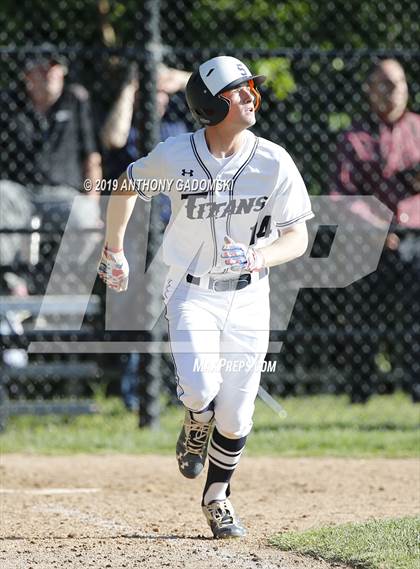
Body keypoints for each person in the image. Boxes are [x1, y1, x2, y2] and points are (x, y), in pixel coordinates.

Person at [98, 56, 313, 538]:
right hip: (191, 291)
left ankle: (217, 497)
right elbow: (127, 185)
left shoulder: (273, 161)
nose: (250, 96)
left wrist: (259, 256)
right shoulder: (176, 155)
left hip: (250, 297)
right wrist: (113, 249)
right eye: (237, 91)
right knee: (200, 390)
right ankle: (196, 420)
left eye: (250, 88)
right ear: (212, 106)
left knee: (236, 415)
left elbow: (297, 237)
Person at [100, 63, 190, 411]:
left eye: (163, 92)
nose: (159, 98)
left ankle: (175, 391)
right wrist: (132, 85)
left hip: (178, 231)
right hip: (137, 233)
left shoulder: (179, 128)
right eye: (150, 92)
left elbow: (217, 92)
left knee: (178, 316)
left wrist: (175, 77)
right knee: (139, 317)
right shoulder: (132, 124)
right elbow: (112, 138)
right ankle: (134, 397)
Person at [331, 58, 420, 402]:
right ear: (369, 90)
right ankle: (360, 393)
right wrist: (379, 228)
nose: (392, 91)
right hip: (369, 241)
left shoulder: (417, 129)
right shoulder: (354, 138)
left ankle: (417, 391)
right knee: (364, 320)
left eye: (398, 83)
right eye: (383, 84)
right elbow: (340, 195)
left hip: (417, 239)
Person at [0, 46, 102, 290]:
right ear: (27, 76)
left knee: (85, 215)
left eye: (54, 68)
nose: (49, 73)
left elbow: (92, 158)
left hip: (63, 194)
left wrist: (93, 202)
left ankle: (58, 283)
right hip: (19, 193)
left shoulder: (75, 101)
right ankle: (10, 279)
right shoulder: (8, 104)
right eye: (42, 67)